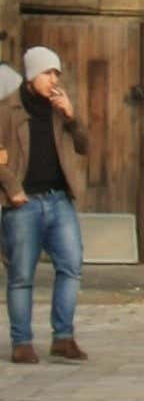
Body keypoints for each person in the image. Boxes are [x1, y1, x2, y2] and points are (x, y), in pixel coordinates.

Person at [0, 47, 88, 363]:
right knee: (22, 275)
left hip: (59, 199)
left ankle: (62, 337)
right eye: (47, 73)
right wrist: (13, 190)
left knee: (72, 264)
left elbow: (83, 146)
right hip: (24, 204)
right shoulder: (7, 110)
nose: (53, 80)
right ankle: (22, 342)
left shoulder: (58, 108)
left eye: (56, 74)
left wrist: (72, 116)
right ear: (30, 75)